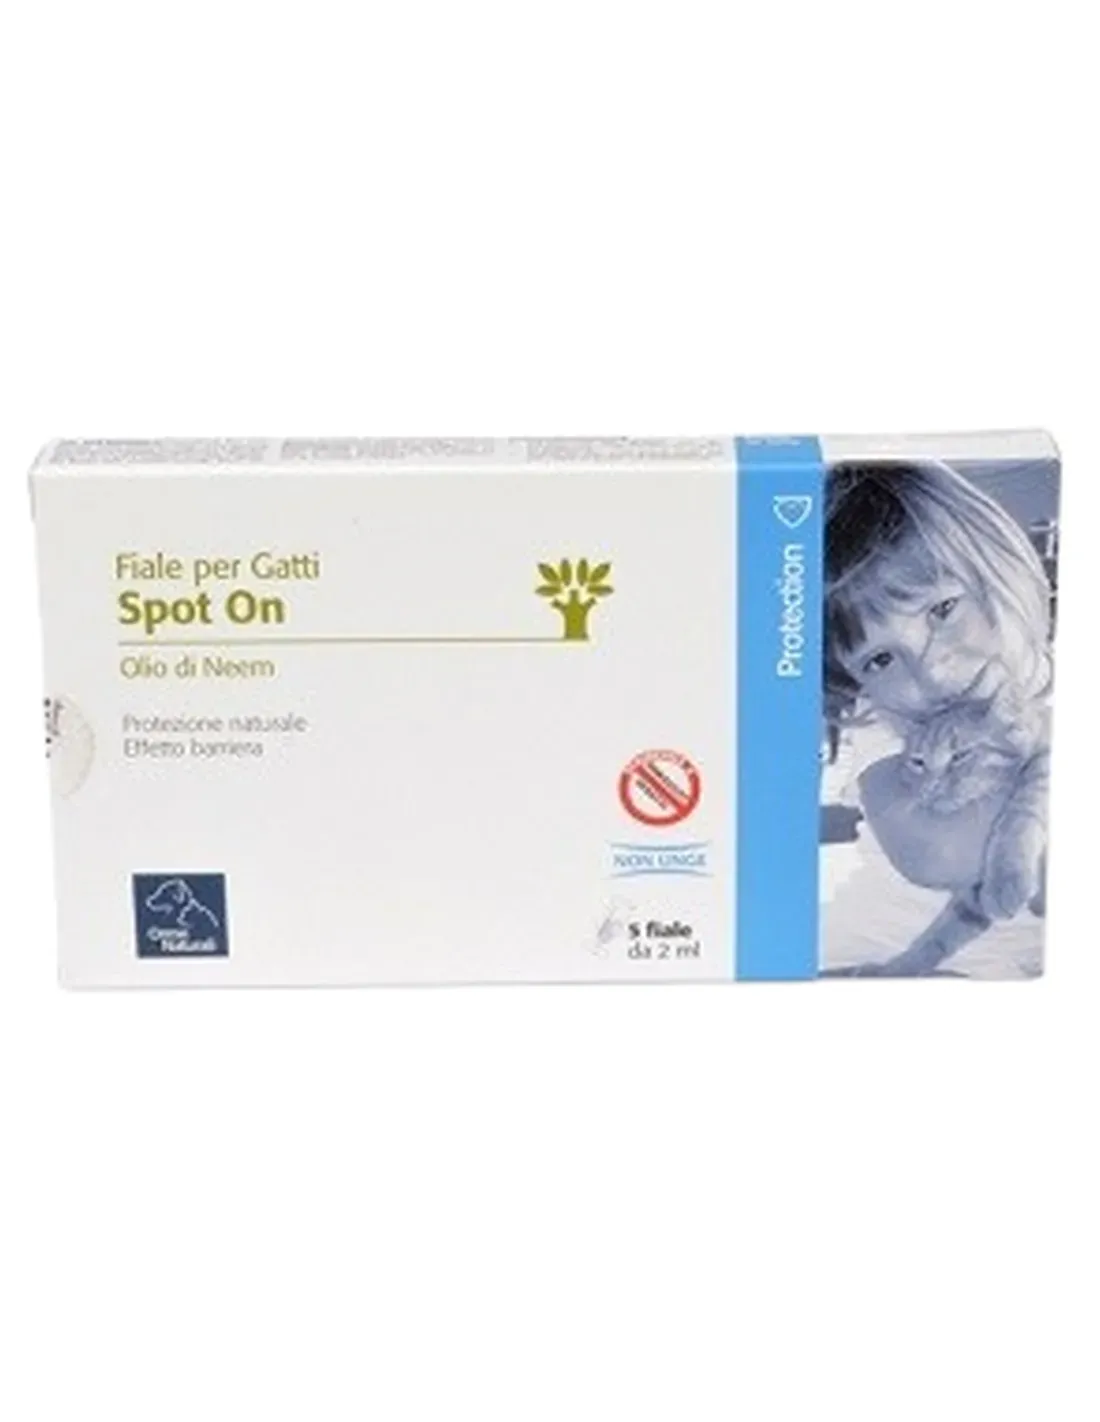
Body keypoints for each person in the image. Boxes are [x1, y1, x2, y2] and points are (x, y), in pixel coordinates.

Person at [824, 460, 1053, 971]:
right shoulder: (890, 726)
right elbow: (943, 854)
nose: (930, 672)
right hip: (890, 962)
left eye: (942, 610)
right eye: (880, 659)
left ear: (1000, 566)